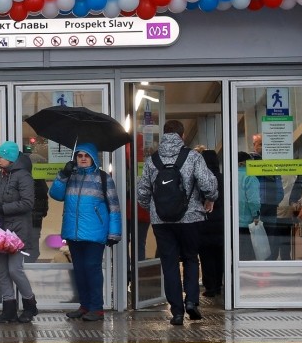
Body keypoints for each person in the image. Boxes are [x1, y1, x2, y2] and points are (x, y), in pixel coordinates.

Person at [135, 120, 218, 327]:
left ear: (164, 135)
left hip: (162, 222)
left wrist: (155, 209)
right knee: (190, 258)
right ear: (182, 136)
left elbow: (142, 193)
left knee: (169, 264)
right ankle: (191, 301)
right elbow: (208, 184)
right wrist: (210, 199)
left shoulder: (152, 160)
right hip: (191, 219)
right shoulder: (193, 157)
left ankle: (177, 312)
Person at [49, 142, 121, 322]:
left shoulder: (104, 178)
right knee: (79, 270)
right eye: (79, 155)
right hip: (73, 233)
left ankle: (97, 308)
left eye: (86, 156)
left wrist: (114, 233)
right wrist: (62, 175)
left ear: (93, 158)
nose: (82, 158)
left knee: (92, 269)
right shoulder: (70, 176)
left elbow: (114, 207)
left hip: (94, 233)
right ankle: (84, 305)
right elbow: (56, 195)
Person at [0, 141, 42, 324]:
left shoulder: (24, 177)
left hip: (17, 231)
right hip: (0, 230)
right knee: (2, 271)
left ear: (11, 158)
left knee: (15, 270)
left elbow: (27, 203)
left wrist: (2, 208)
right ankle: (9, 309)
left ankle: (30, 304)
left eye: (1, 156)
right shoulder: (1, 176)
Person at [196, 149, 225, 299]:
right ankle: (219, 285)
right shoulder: (224, 177)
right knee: (220, 254)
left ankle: (210, 286)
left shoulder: (203, 179)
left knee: (206, 255)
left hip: (205, 221)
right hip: (222, 222)